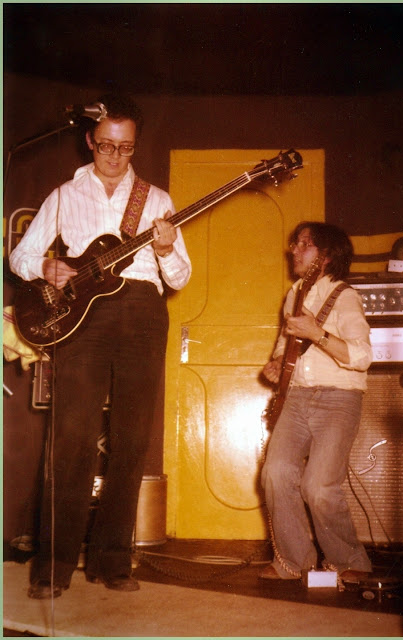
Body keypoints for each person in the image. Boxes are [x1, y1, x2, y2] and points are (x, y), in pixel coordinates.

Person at [9, 93, 192, 598]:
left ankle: (113, 562)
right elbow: (20, 257)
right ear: (90, 140)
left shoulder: (156, 199)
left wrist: (165, 248)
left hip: (143, 311)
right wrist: (45, 266)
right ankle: (52, 569)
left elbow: (179, 276)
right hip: (83, 315)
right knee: (71, 440)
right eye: (107, 145)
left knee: (132, 440)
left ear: (135, 146)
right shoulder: (65, 195)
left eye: (125, 147)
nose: (115, 156)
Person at [260, 221, 373, 583]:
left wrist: (318, 334)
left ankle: (349, 562)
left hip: (339, 397)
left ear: (325, 256)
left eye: (304, 244)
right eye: (295, 243)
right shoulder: (293, 294)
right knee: (275, 473)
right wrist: (277, 364)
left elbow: (362, 356)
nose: (293, 249)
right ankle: (293, 562)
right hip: (296, 397)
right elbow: (285, 346)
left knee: (319, 487)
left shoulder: (345, 296)